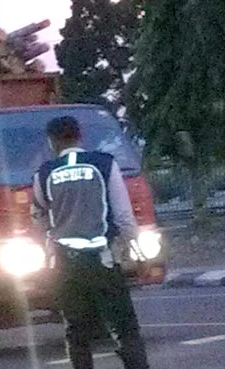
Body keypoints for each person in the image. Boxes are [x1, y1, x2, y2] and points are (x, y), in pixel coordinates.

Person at [31, 116, 149, 369]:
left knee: (76, 330)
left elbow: (39, 216)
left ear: (52, 142)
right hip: (102, 259)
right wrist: (136, 251)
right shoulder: (104, 164)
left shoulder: (44, 173)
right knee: (123, 326)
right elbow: (124, 215)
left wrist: (49, 243)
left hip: (65, 265)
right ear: (80, 135)